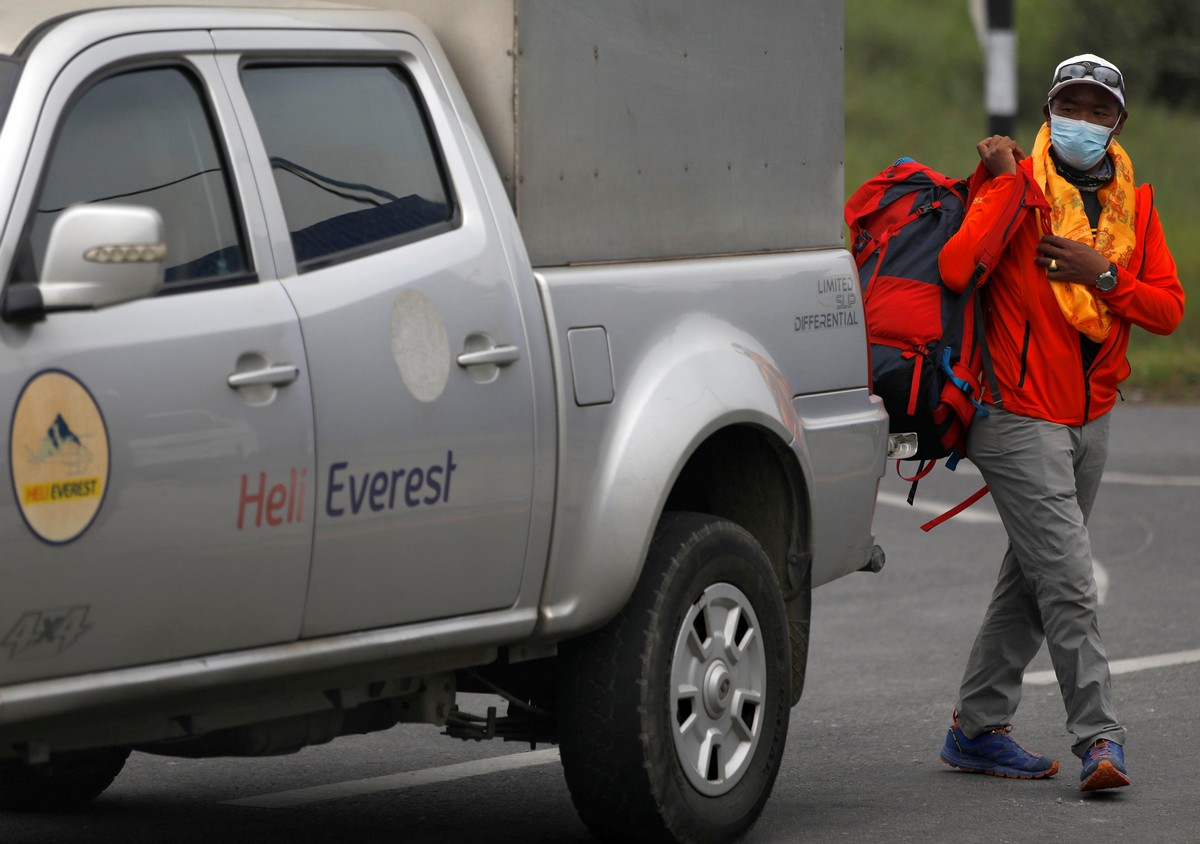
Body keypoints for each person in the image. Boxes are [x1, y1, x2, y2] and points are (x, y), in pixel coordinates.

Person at [935, 54, 1185, 792]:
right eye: (1069, 106)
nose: (1083, 120)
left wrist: (1103, 274)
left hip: (1091, 416)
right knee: (1070, 580)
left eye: (1097, 109)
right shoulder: (1019, 188)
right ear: (1048, 112)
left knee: (1031, 579)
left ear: (1118, 122)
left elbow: (1167, 309)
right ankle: (1100, 741)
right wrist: (1004, 184)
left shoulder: (1134, 205)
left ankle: (975, 729)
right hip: (1015, 415)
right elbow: (956, 268)